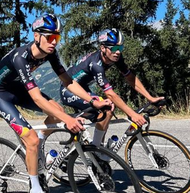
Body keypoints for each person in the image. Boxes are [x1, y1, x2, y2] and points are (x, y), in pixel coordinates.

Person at [0, 14, 112, 193]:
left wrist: (92, 99)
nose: (54, 42)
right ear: (37, 36)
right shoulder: (21, 57)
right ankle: (35, 191)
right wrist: (69, 120)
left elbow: (69, 82)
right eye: (50, 37)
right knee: (31, 139)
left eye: (57, 38)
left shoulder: (50, 54)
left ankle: (40, 145)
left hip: (16, 88)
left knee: (57, 111)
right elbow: (37, 99)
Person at [60, 28, 164, 160]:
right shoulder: (95, 64)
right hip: (68, 90)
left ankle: (96, 147)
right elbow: (111, 94)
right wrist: (132, 114)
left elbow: (130, 78)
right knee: (107, 108)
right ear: (103, 48)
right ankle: (95, 151)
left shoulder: (116, 57)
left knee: (105, 112)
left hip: (83, 88)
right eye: (114, 48)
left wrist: (150, 98)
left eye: (120, 47)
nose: (118, 51)